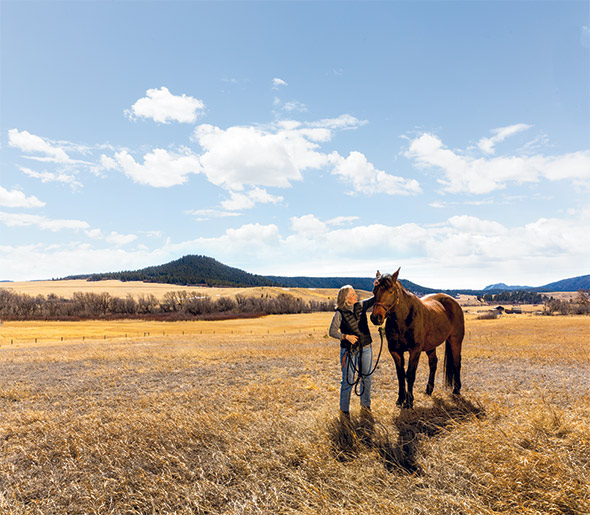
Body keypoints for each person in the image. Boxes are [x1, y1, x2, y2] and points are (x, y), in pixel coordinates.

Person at [329, 285, 375, 421]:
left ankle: (365, 407)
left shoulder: (361, 306)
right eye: (353, 294)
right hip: (349, 351)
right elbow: (332, 332)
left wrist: (377, 284)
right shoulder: (339, 313)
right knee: (347, 381)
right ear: (346, 298)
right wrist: (345, 337)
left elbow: (375, 298)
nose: (357, 296)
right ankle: (344, 412)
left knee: (367, 377)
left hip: (366, 347)